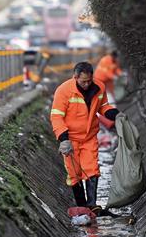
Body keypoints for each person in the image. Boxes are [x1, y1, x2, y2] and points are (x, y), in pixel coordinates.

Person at [50, 61, 120, 210]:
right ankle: (82, 207)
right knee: (74, 174)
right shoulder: (64, 91)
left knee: (92, 169)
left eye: (89, 81)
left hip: (89, 137)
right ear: (75, 77)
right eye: (83, 81)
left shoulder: (99, 87)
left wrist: (113, 114)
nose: (87, 84)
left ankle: (92, 206)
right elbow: (56, 117)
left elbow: (103, 106)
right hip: (71, 139)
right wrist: (63, 139)